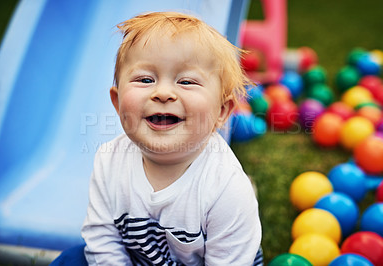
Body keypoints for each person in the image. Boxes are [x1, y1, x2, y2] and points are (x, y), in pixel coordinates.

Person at [81, 11, 262, 265]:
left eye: (186, 81)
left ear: (221, 112)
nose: (163, 93)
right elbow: (102, 239)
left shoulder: (226, 189)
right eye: (145, 79)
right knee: (73, 258)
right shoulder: (108, 161)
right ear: (117, 101)